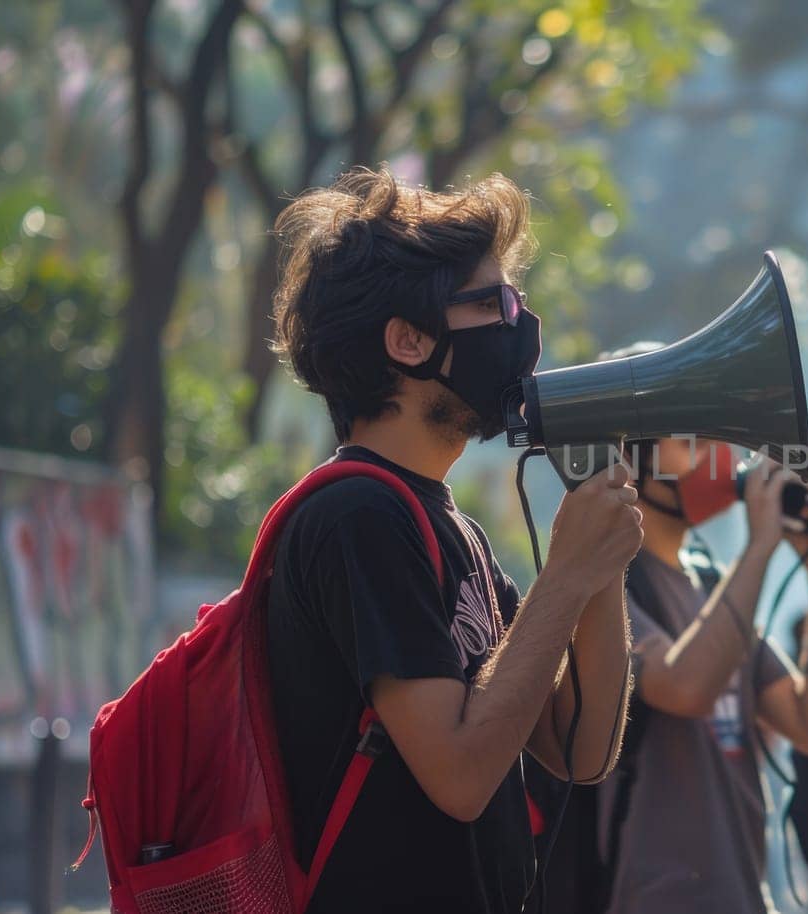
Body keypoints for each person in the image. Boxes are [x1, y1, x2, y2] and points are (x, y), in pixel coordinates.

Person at [264, 167, 639, 912]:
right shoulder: (357, 519)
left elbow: (580, 750)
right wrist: (564, 576)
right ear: (407, 341)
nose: (520, 324)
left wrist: (602, 566)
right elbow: (462, 777)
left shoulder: (448, 529)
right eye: (495, 303)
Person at [590, 351, 808, 914]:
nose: (719, 459)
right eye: (693, 441)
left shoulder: (711, 584)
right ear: (627, 458)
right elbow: (685, 688)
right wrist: (759, 547)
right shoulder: (606, 587)